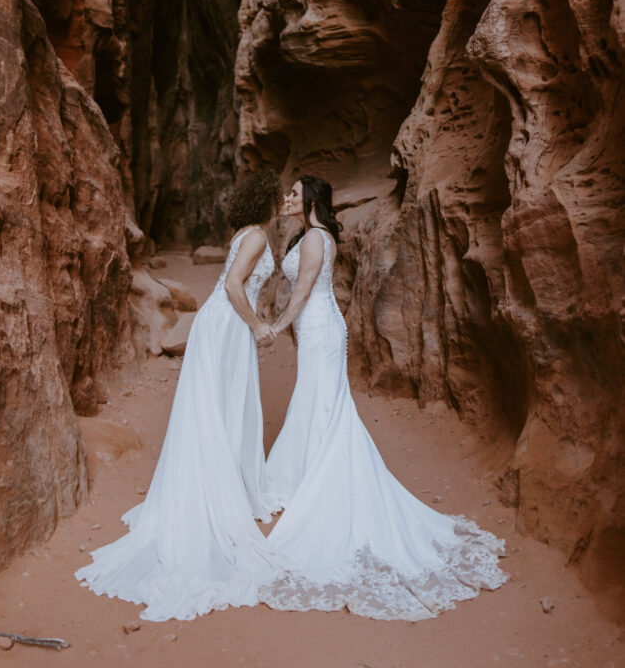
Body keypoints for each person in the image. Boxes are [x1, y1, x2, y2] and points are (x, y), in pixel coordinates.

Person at [261, 175, 508, 620]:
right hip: (316, 329)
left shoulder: (316, 239)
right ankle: (302, 474)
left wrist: (277, 327)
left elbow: (302, 291)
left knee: (322, 404)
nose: (288, 198)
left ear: (312, 198)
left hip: (320, 331)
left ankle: (319, 480)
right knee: (316, 403)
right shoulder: (312, 235)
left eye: (295, 193)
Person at [75, 171, 283, 621]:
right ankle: (217, 495)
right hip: (228, 324)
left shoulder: (248, 233)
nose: (284, 201)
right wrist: (258, 324)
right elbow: (232, 287)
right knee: (219, 406)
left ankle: (229, 485)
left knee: (220, 405)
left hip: (222, 325)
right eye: (280, 194)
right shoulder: (257, 239)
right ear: (269, 200)